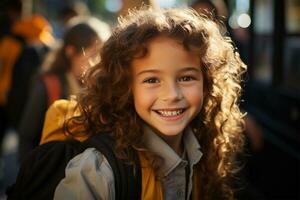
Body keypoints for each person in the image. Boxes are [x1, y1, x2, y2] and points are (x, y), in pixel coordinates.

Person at [11, 7, 246, 199]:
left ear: (207, 82)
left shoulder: (205, 152)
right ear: (126, 87)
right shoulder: (99, 170)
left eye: (186, 77)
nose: (172, 94)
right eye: (152, 79)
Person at [18, 17, 111, 161]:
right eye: (93, 54)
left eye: (102, 55)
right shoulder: (47, 86)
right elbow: (27, 138)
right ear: (70, 51)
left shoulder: (102, 88)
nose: (98, 62)